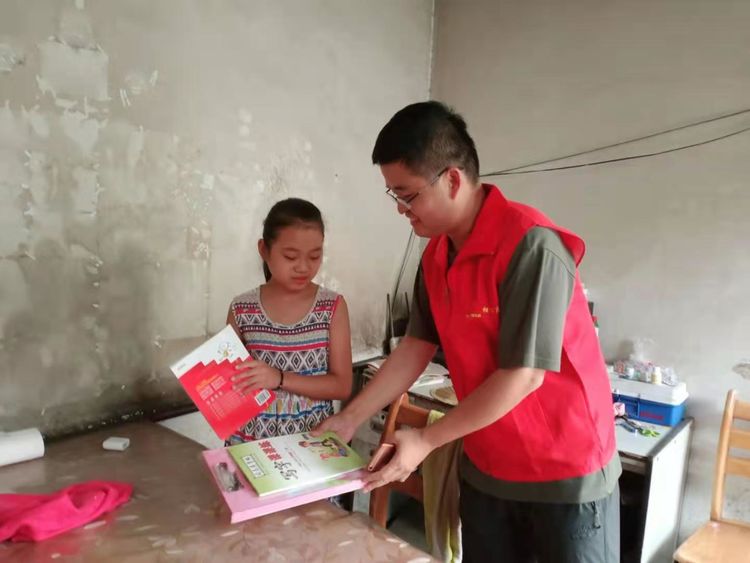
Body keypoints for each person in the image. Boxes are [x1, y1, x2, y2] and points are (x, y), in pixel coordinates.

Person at [316, 101, 620, 562]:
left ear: (453, 180)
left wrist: (426, 440)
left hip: (564, 475)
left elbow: (523, 375)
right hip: (488, 465)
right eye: (393, 195)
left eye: (408, 195)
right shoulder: (436, 256)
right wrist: (350, 417)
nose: (400, 209)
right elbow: (415, 346)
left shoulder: (530, 245)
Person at [226, 198, 353, 443]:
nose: (303, 267)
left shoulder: (331, 307)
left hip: (310, 441)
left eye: (314, 256)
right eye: (290, 256)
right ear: (264, 250)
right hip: (252, 441)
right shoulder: (241, 309)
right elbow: (230, 381)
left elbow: (341, 386)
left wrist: (279, 378)